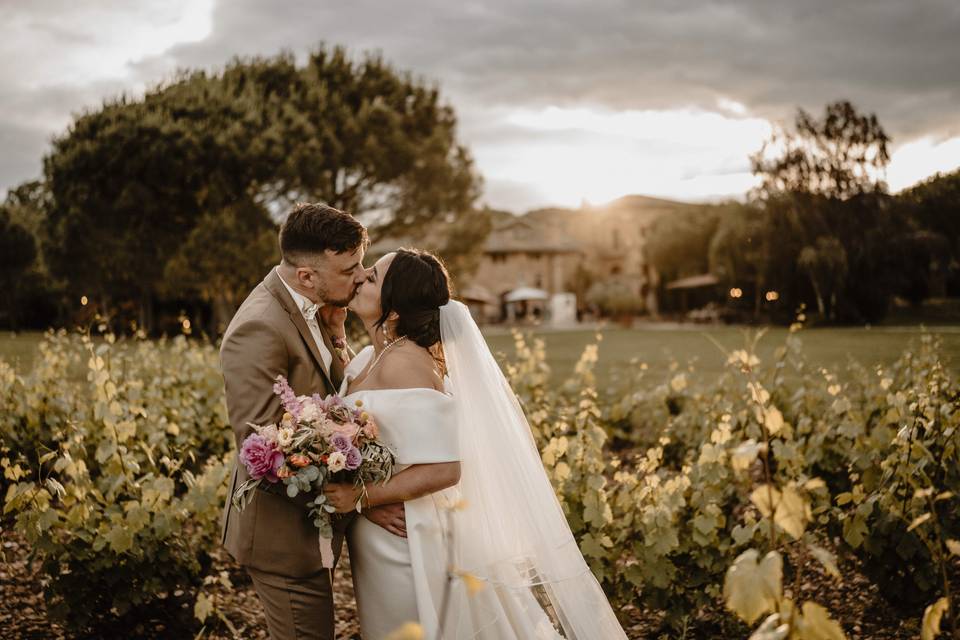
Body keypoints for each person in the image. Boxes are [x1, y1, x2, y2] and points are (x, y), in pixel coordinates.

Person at [325, 248, 627, 639]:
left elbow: (445, 468)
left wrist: (361, 498)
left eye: (373, 278)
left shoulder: (407, 362)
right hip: (384, 530)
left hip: (411, 539)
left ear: (395, 310)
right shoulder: (370, 355)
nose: (361, 278)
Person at [219, 204, 453, 640]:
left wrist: (341, 339)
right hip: (282, 538)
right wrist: (365, 498)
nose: (361, 275)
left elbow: (339, 399)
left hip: (321, 532)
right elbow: (264, 453)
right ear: (307, 276)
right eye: (351, 268)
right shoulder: (258, 329)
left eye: (365, 266)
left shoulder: (326, 310)